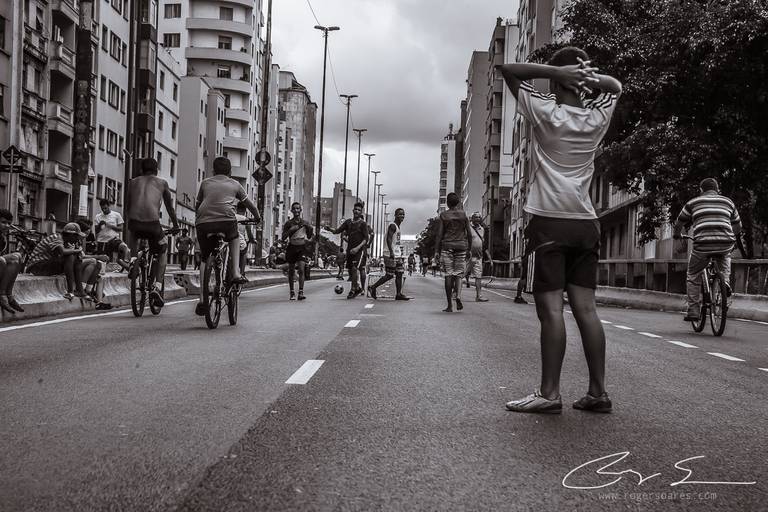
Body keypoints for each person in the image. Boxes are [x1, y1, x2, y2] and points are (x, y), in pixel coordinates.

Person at [499, 47, 622, 414]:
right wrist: (585, 77)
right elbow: (615, 86)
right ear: (582, 81)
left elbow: (508, 69)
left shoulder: (545, 111)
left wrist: (557, 73)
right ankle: (597, 392)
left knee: (551, 311)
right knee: (587, 310)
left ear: (556, 82)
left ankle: (549, 393)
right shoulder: (597, 116)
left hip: (549, 221)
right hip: (586, 223)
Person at [194, 157, 260, 314]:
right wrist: (257, 217)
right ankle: (236, 272)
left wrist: (203, 216)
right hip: (226, 221)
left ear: (213, 170)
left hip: (203, 223)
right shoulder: (235, 184)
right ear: (230, 172)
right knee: (234, 237)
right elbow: (250, 205)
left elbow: (197, 205)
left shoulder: (205, 183)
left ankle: (202, 299)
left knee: (205, 258)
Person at [673, 178, 741, 321]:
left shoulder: (693, 203)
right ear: (717, 190)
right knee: (725, 257)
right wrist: (729, 235)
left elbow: (679, 222)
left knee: (693, 274)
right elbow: (738, 226)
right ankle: (725, 282)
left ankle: (693, 311)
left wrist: (677, 234)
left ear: (701, 190)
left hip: (703, 245)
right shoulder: (728, 202)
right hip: (725, 243)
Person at [126, 157, 180, 308]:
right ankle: (157, 286)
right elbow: (169, 207)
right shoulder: (162, 183)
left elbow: (128, 205)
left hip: (135, 223)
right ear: (156, 170)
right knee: (163, 249)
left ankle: (133, 261)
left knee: (134, 232)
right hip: (153, 225)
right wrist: (175, 225)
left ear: (141, 170)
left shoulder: (132, 182)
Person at [26, 223, 102, 302]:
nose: (77, 239)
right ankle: (70, 291)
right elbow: (63, 252)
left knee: (77, 258)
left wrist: (76, 252)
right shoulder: (57, 237)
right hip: (37, 266)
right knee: (70, 256)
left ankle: (80, 290)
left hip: (46, 264)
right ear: (71, 235)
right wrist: (77, 250)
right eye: (76, 236)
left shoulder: (66, 241)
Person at [434, 193, 472, 312]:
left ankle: (450, 305)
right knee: (459, 274)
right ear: (458, 203)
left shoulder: (444, 215)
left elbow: (439, 234)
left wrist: (436, 251)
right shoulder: (463, 215)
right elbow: (469, 233)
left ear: (447, 203)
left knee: (448, 274)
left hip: (447, 247)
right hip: (461, 246)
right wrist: (469, 249)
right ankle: (458, 296)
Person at [326, 202, 369, 299]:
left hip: (359, 251)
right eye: (355, 209)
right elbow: (337, 231)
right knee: (350, 271)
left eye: (359, 210)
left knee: (355, 268)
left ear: (361, 212)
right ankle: (357, 287)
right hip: (350, 250)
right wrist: (329, 229)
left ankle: (353, 289)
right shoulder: (348, 222)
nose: (357, 211)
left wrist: (357, 248)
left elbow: (366, 239)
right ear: (353, 210)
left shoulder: (363, 224)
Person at [369, 208, 411, 301]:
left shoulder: (397, 227)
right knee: (390, 275)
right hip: (389, 253)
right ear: (395, 215)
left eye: (403, 214)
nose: (402, 216)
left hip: (397, 254)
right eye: (400, 214)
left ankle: (398, 294)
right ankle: (373, 287)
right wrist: (391, 252)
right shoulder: (392, 226)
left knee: (399, 273)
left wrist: (398, 252)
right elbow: (389, 239)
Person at [281, 202, 314, 300]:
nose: (296, 210)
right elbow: (283, 237)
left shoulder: (305, 223)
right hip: (292, 247)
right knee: (291, 270)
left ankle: (301, 292)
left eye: (298, 208)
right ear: (292, 210)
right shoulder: (288, 223)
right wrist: (291, 230)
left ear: (300, 210)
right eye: (294, 208)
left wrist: (310, 229)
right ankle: (292, 292)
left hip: (302, 247)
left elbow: (309, 236)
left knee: (301, 269)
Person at [93, 199, 130, 270]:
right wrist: (100, 226)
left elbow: (121, 229)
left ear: (109, 206)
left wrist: (110, 226)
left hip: (114, 239)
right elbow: (96, 231)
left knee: (123, 247)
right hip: (102, 241)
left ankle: (126, 263)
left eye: (105, 208)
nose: (104, 210)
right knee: (103, 261)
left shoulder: (116, 215)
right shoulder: (98, 216)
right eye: (102, 209)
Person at [0, 209, 24, 314]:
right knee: (1, 261)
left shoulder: (2, 237)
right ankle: (1, 295)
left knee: (18, 256)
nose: (7, 226)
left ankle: (9, 295)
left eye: (9, 223)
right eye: (3, 222)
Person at [465, 212, 490, 302]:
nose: (477, 219)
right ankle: (455, 292)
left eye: (479, 217)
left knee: (478, 276)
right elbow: (464, 240)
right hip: (468, 256)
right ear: (472, 218)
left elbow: (483, 243)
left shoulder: (482, 229)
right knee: (461, 275)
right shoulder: (468, 228)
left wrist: (489, 257)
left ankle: (478, 296)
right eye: (475, 217)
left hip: (479, 256)